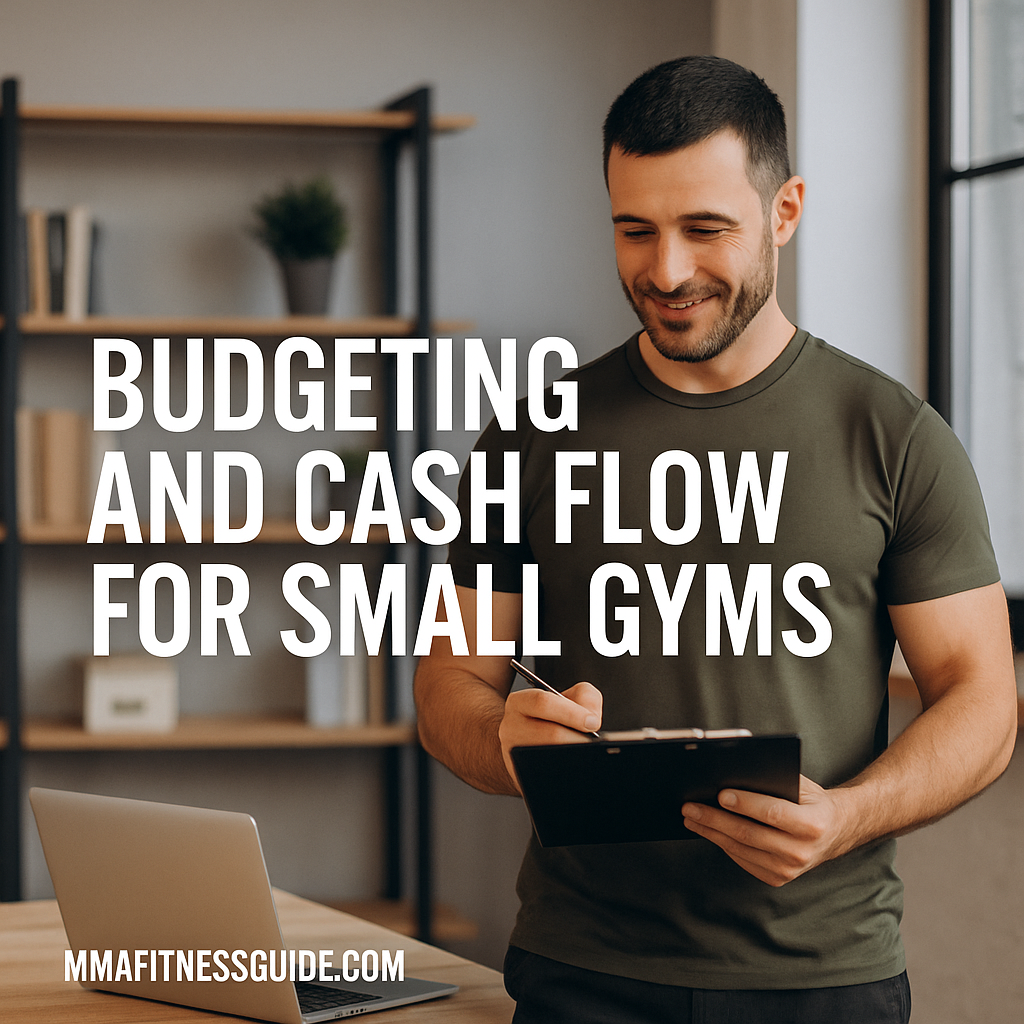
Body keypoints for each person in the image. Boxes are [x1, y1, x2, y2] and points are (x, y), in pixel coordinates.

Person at [414, 55, 1017, 1023]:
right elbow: (449, 683)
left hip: (821, 976)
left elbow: (982, 699)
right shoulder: (528, 439)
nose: (666, 270)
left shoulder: (893, 436)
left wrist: (844, 817)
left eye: (705, 229)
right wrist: (500, 738)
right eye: (633, 230)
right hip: (581, 970)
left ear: (784, 212)